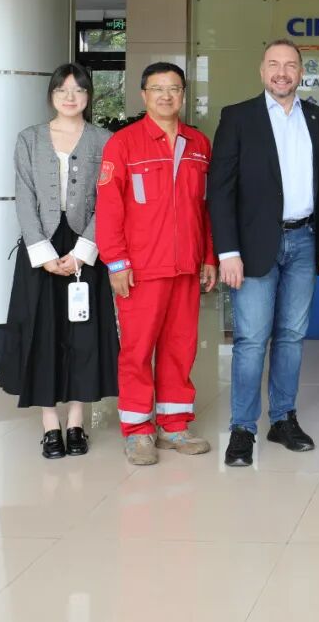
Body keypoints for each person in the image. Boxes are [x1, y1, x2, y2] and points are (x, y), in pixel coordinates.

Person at [208, 39, 319, 468]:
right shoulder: (238, 117)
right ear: (262, 71)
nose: (282, 72)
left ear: (301, 72)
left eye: (290, 65)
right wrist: (227, 251)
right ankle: (242, 428)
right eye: (274, 64)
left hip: (305, 240)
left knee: (292, 336)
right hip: (251, 246)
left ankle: (282, 418)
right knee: (250, 339)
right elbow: (220, 191)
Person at [96, 62, 217, 465]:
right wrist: (116, 263)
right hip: (142, 268)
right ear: (143, 95)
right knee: (137, 349)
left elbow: (206, 208)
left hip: (186, 266)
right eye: (158, 88)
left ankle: (174, 425)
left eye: (174, 88)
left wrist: (209, 256)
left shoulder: (199, 144)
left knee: (180, 347)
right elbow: (109, 209)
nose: (166, 96)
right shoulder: (124, 144)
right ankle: (137, 431)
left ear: (183, 94)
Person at [0, 63, 118, 459]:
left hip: (86, 244)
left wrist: (84, 251)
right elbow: (25, 197)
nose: (70, 97)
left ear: (88, 96)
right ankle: (50, 424)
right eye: (62, 90)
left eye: (78, 90)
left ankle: (76, 422)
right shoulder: (29, 139)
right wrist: (43, 254)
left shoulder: (105, 140)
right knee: (42, 331)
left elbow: (109, 200)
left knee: (83, 334)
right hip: (42, 247)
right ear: (51, 94)